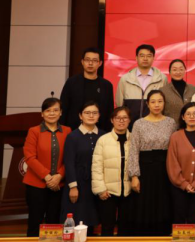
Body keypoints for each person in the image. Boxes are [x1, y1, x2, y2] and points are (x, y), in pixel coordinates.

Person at [127, 90, 177, 236]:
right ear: (147, 104)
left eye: (160, 101)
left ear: (164, 103)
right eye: (153, 102)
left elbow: (174, 148)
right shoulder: (139, 124)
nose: (156, 105)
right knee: (145, 205)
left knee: (164, 204)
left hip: (165, 169)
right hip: (145, 170)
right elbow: (134, 150)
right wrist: (134, 176)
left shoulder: (171, 123)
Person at [23, 98, 72, 237]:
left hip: (59, 185)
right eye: (48, 110)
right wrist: (48, 177)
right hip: (36, 184)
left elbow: (70, 157)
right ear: (42, 114)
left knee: (54, 221)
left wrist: (59, 176)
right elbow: (30, 157)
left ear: (61, 113)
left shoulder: (67, 131)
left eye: (55, 110)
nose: (52, 113)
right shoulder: (34, 131)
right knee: (35, 220)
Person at [60, 101, 104, 233]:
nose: (91, 116)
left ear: (99, 115)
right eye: (87, 113)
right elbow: (69, 163)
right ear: (80, 116)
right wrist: (73, 187)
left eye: (94, 113)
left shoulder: (104, 135)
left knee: (93, 220)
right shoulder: (72, 136)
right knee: (77, 221)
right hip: (79, 184)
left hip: (98, 183)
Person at [166, 102, 195, 224]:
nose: (192, 117)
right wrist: (184, 184)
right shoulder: (175, 137)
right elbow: (172, 163)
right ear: (183, 117)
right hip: (179, 188)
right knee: (179, 220)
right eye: (188, 114)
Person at [92, 106, 132, 236]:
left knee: (126, 226)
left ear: (129, 120)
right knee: (107, 226)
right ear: (112, 120)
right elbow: (97, 167)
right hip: (108, 192)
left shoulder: (134, 139)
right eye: (118, 118)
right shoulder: (103, 140)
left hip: (129, 191)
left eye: (125, 118)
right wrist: (100, 189)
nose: (121, 121)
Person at [60, 47, 114, 132]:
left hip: (100, 132)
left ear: (100, 63)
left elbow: (109, 112)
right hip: (74, 131)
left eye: (94, 60)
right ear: (82, 62)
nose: (90, 63)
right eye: (87, 60)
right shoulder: (71, 82)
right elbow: (63, 108)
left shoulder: (106, 85)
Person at [115, 44, 167, 123]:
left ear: (153, 58)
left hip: (154, 124)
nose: (145, 59)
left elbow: (164, 105)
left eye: (149, 56)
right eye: (142, 56)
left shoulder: (162, 78)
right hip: (130, 125)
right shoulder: (125, 79)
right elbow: (119, 105)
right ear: (136, 58)